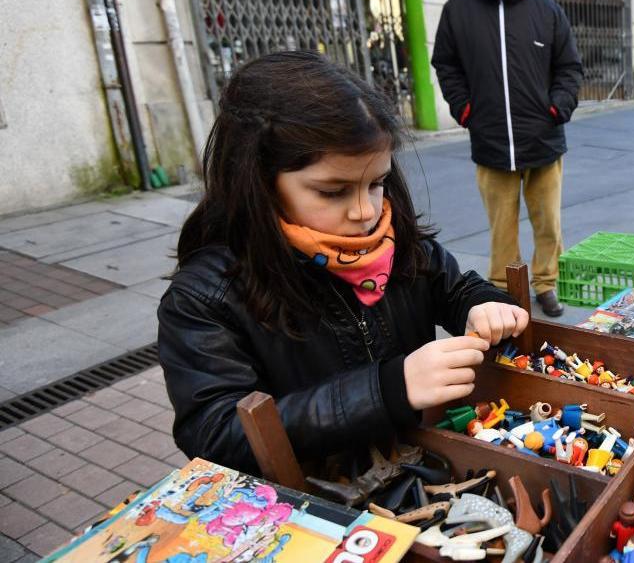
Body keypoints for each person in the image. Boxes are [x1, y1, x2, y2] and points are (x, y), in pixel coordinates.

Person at [158, 51, 530, 476]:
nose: (364, 212)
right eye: (332, 192)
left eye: (377, 183)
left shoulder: (395, 240)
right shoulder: (206, 297)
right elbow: (217, 434)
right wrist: (388, 390)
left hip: (417, 464)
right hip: (316, 500)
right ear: (257, 182)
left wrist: (481, 303)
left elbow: (453, 287)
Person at [431, 0, 583, 317]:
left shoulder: (546, 11)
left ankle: (546, 284)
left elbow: (569, 67)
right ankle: (504, 290)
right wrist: (464, 110)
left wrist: (557, 108)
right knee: (502, 227)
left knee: (548, 224)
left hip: (544, 141)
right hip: (492, 141)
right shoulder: (458, 12)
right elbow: (446, 65)